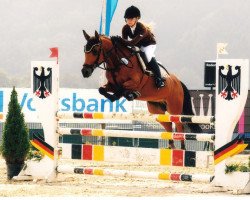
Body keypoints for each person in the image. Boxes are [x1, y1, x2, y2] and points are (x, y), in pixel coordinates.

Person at [120, 5, 165, 88]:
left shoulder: (142, 29)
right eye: (127, 19)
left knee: (147, 57)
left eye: (131, 19)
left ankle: (159, 79)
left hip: (149, 45)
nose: (129, 21)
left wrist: (120, 40)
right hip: (138, 44)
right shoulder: (125, 28)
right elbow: (125, 43)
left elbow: (131, 43)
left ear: (137, 19)